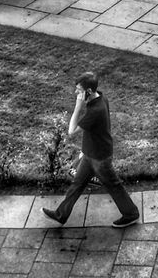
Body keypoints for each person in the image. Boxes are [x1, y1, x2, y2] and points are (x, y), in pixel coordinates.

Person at [43, 72, 140, 229]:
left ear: (88, 92)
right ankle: (61, 215)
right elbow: (93, 131)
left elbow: (71, 130)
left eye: (79, 90)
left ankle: (131, 214)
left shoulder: (95, 110)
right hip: (91, 153)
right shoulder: (100, 98)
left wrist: (77, 106)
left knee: (114, 185)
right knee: (77, 184)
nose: (76, 93)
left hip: (100, 158)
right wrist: (84, 151)